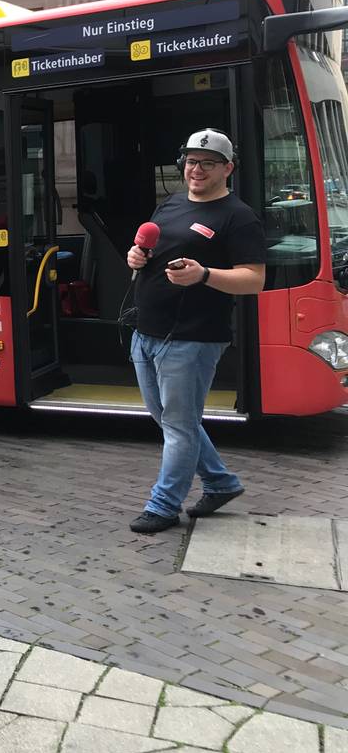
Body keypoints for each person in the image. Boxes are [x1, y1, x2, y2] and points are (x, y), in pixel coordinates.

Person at [126, 128, 265, 534]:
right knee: (173, 421)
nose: (197, 170)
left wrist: (203, 274)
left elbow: (254, 280)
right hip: (146, 332)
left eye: (208, 163)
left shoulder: (238, 217)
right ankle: (221, 483)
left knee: (179, 426)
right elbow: (149, 252)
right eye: (190, 161)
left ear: (228, 169)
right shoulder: (169, 205)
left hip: (192, 338)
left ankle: (164, 506)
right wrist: (137, 257)